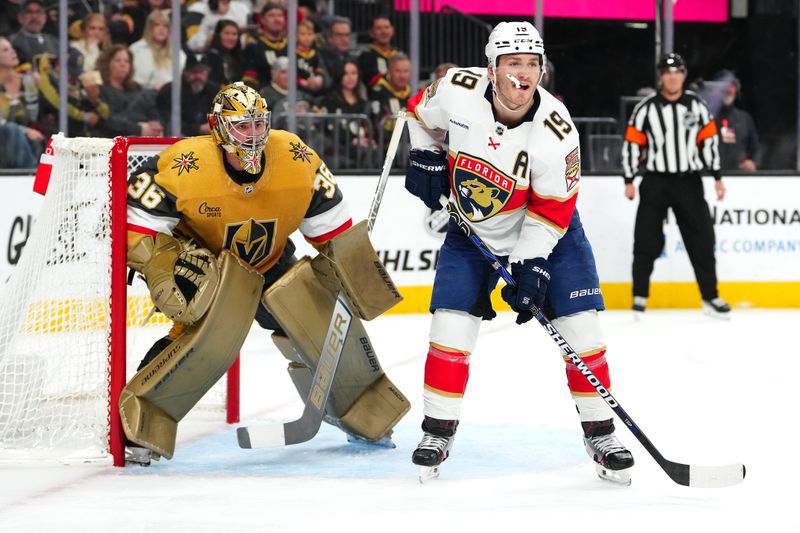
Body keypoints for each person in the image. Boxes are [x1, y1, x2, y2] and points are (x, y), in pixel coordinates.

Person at [123, 81, 407, 463]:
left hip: (271, 259)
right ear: (217, 127)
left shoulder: (295, 157)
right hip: (208, 267)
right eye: (242, 125)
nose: (253, 135)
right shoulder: (184, 164)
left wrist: (356, 276)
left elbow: (334, 233)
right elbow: (136, 225)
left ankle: (361, 409)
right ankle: (142, 421)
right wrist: (161, 266)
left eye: (259, 125)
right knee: (209, 338)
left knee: (318, 320)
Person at [403, 21, 634, 484]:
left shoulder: (557, 128)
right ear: (491, 68)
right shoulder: (456, 88)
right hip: (472, 232)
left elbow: (552, 210)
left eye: (532, 64)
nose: (523, 75)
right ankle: (437, 430)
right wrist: (425, 153)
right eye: (513, 63)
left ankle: (601, 431)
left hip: (551, 232)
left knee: (583, 331)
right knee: (450, 326)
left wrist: (531, 266)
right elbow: (418, 113)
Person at [621, 53, 730, 319]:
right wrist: (629, 179)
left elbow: (709, 142)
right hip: (655, 180)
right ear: (661, 76)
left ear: (683, 75)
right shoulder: (645, 108)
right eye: (667, 72)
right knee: (646, 239)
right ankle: (639, 298)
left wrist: (716, 176)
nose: (672, 77)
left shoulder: (697, 106)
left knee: (702, 239)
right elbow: (632, 144)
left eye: (677, 72)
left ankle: (710, 297)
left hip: (688, 181)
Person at [156, 52, 218, 136]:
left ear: (207, 73)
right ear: (185, 72)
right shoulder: (171, 90)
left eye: (202, 72)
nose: (198, 76)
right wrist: (199, 128)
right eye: (194, 72)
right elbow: (167, 122)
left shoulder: (213, 90)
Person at [129, 9, 186, 92]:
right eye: (157, 25)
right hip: (140, 93)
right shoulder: (135, 49)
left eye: (165, 26)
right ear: (149, 28)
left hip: (169, 95)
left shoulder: (178, 54)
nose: (161, 29)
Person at [716, 77, 761, 171]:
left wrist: (753, 163)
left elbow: (756, 148)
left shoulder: (744, 118)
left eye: (732, 86)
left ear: (736, 90)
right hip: (711, 176)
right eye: (725, 86)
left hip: (739, 178)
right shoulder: (706, 116)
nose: (728, 90)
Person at [242, 3, 287, 89]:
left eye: (280, 15)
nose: (277, 19)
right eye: (272, 16)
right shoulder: (254, 47)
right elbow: (249, 79)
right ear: (262, 20)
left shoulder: (292, 46)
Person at [357, 15, 402, 89]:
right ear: (371, 33)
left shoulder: (400, 55)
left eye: (386, 27)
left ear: (392, 31)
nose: (384, 31)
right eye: (379, 28)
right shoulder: (365, 57)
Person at [10, 0, 58, 69]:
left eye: (39, 12)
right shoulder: (12, 43)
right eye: (29, 12)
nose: (34, 16)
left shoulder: (54, 42)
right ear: (20, 17)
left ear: (45, 17)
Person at [206, 19, 244, 87]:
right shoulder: (210, 56)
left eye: (234, 34)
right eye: (226, 33)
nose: (231, 38)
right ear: (218, 35)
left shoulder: (239, 56)